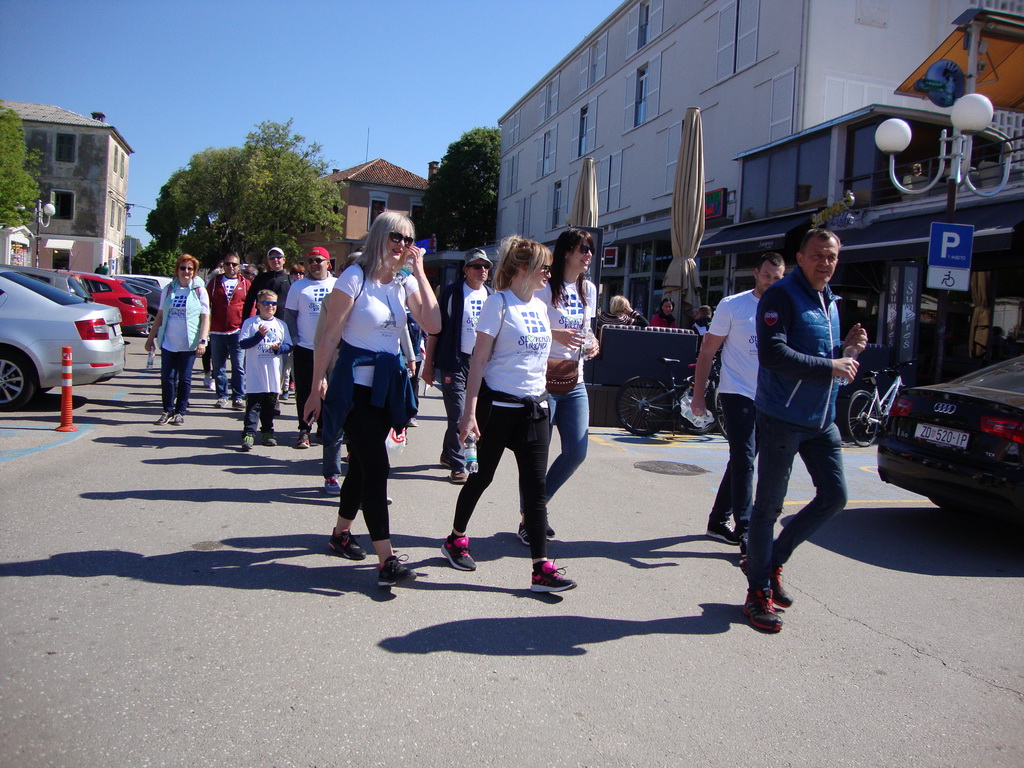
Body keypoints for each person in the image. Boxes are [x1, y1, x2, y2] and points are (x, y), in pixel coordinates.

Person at [303, 212, 440, 588]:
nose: (403, 245)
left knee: (363, 467)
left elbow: (433, 324)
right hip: (354, 388)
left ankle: (340, 534)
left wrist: (421, 272)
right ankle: (386, 559)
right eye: (397, 237)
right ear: (380, 236)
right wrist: (316, 388)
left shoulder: (403, 282)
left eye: (409, 239)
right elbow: (329, 338)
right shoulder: (354, 277)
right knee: (377, 468)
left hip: (387, 387)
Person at [742, 229, 867, 632]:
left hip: (821, 419)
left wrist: (845, 352)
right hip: (782, 416)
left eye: (831, 256)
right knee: (768, 508)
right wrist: (832, 365)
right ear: (800, 257)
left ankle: (772, 559)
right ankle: (757, 591)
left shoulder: (829, 301)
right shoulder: (782, 295)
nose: (825, 263)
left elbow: (818, 356)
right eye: (818, 256)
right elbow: (773, 353)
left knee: (835, 497)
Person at [440, 236, 577, 593]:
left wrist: (577, 342)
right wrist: (468, 412)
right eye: (544, 268)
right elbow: (479, 361)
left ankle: (540, 569)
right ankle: (455, 538)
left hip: (535, 409)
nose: (549, 273)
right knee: (480, 478)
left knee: (536, 489)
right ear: (522, 270)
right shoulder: (497, 303)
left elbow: (536, 349)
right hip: (497, 408)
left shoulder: (539, 307)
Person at [692, 252, 786, 548]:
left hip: (769, 397)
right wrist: (699, 395)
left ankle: (718, 521)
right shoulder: (733, 305)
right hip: (736, 392)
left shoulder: (787, 307)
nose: (771, 282)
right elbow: (707, 352)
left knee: (742, 461)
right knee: (745, 458)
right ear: (756, 273)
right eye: (767, 276)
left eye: (777, 278)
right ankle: (745, 528)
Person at [517, 227, 600, 545]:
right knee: (536, 457)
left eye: (590, 249)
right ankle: (531, 518)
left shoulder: (588, 289)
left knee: (576, 451)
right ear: (567, 251)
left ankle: (537, 507)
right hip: (543, 383)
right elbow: (527, 329)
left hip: (574, 381)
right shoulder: (543, 286)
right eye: (583, 248)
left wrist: (592, 344)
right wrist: (557, 335)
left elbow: (587, 330)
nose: (588, 254)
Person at [422, 248, 494, 484]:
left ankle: (447, 452)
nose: (482, 270)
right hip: (455, 361)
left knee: (470, 413)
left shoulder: (492, 296)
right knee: (459, 413)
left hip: (481, 363)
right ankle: (458, 464)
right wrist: (429, 364)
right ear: (466, 270)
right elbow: (435, 330)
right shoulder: (452, 294)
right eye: (477, 266)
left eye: (486, 266)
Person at [284, 246, 345, 493]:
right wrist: (296, 339)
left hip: (332, 348)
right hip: (307, 347)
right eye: (310, 261)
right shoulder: (298, 287)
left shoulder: (338, 284)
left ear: (328, 263)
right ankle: (304, 430)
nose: (314, 264)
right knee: (307, 390)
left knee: (331, 392)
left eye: (318, 260)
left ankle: (324, 430)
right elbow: (289, 315)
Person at [145, 254, 210, 425]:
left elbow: (205, 317)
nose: (186, 271)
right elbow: (160, 315)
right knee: (167, 378)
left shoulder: (199, 291)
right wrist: (150, 338)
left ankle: (180, 411)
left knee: (184, 379)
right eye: (183, 268)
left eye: (190, 268)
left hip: (188, 343)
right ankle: (167, 410)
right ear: (177, 270)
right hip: (169, 342)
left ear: (194, 272)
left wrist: (203, 341)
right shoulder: (168, 290)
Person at [238, 290, 292, 450]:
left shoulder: (281, 325)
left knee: (270, 406)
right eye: (267, 303)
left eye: (274, 303)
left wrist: (278, 348)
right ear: (259, 305)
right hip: (256, 374)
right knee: (253, 406)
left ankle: (268, 432)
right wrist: (259, 336)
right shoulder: (250, 323)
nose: (271, 306)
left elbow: (289, 345)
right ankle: (249, 434)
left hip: (273, 374)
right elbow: (243, 344)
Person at [207, 253, 250, 410]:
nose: (231, 267)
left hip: (238, 331)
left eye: (234, 264)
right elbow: (206, 305)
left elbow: (250, 306)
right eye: (228, 264)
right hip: (217, 331)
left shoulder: (245, 284)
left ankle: (238, 396)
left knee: (238, 366)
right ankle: (222, 396)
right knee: (218, 366)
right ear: (223, 265)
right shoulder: (214, 283)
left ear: (239, 266)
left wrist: (247, 327)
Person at [242, 246, 293, 319]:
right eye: (272, 258)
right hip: (262, 323)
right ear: (268, 261)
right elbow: (249, 301)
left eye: (278, 257)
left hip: (283, 323)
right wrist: (244, 322)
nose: (275, 259)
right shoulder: (260, 278)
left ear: (284, 260)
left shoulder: (291, 280)